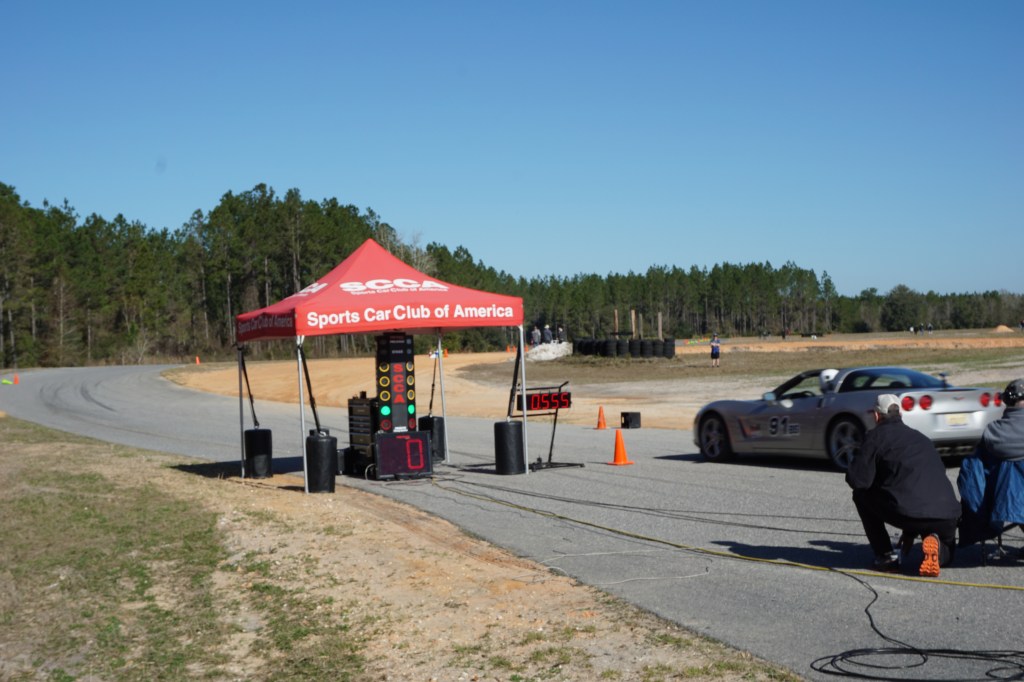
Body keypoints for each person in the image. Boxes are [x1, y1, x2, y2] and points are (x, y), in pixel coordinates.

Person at [845, 394, 961, 576]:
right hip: (947, 513)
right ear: (900, 414)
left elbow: (858, 481)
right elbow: (923, 482)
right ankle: (938, 549)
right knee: (946, 548)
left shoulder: (875, 437)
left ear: (876, 415)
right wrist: (909, 533)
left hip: (909, 514)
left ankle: (886, 557)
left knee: (861, 495)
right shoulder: (922, 438)